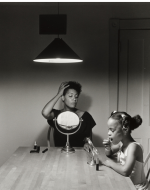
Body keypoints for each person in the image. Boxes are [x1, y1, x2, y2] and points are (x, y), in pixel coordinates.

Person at [102, 111, 150, 190]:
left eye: (112, 130)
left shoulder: (133, 147)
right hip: (128, 183)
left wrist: (110, 163)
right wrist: (107, 147)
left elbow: (125, 171)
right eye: (108, 130)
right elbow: (109, 153)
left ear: (125, 129)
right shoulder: (121, 144)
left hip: (138, 188)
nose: (108, 133)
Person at [42, 81, 96, 147]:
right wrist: (59, 94)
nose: (74, 99)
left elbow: (89, 140)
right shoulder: (57, 115)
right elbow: (45, 113)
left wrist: (87, 144)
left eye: (76, 97)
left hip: (79, 154)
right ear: (63, 98)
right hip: (59, 154)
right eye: (70, 96)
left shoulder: (85, 116)